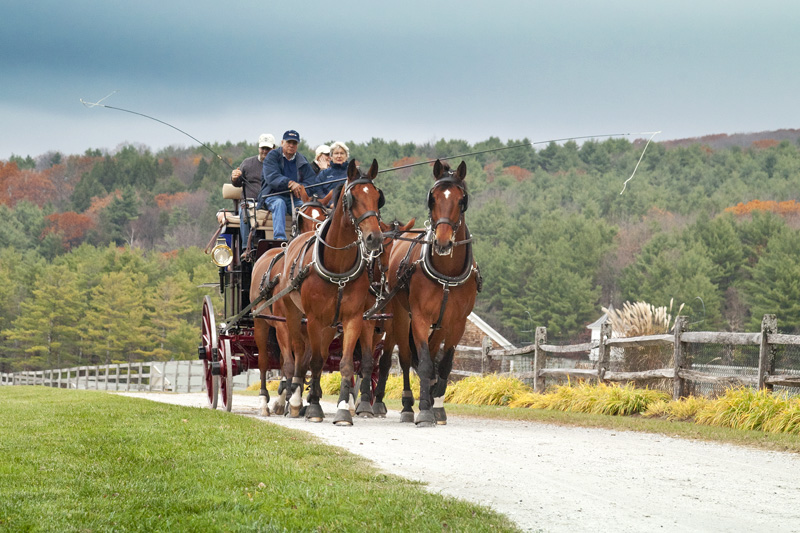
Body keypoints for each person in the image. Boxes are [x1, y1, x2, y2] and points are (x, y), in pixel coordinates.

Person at [260, 130, 318, 241]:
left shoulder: (302, 160)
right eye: (289, 142)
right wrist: (290, 183)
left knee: (305, 208)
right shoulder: (272, 156)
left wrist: (301, 187)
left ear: (297, 145)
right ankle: (280, 240)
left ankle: (306, 239)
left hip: (294, 198)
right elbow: (272, 177)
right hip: (272, 195)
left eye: (294, 143)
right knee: (279, 203)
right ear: (282, 143)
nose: (291, 145)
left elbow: (311, 182)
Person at [231, 133, 275, 248]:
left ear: (273, 148)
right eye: (263, 148)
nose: (265, 151)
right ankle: (247, 248)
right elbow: (237, 183)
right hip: (250, 202)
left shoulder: (277, 165)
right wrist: (234, 177)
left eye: (268, 149)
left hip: (269, 201)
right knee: (245, 209)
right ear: (259, 148)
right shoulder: (247, 163)